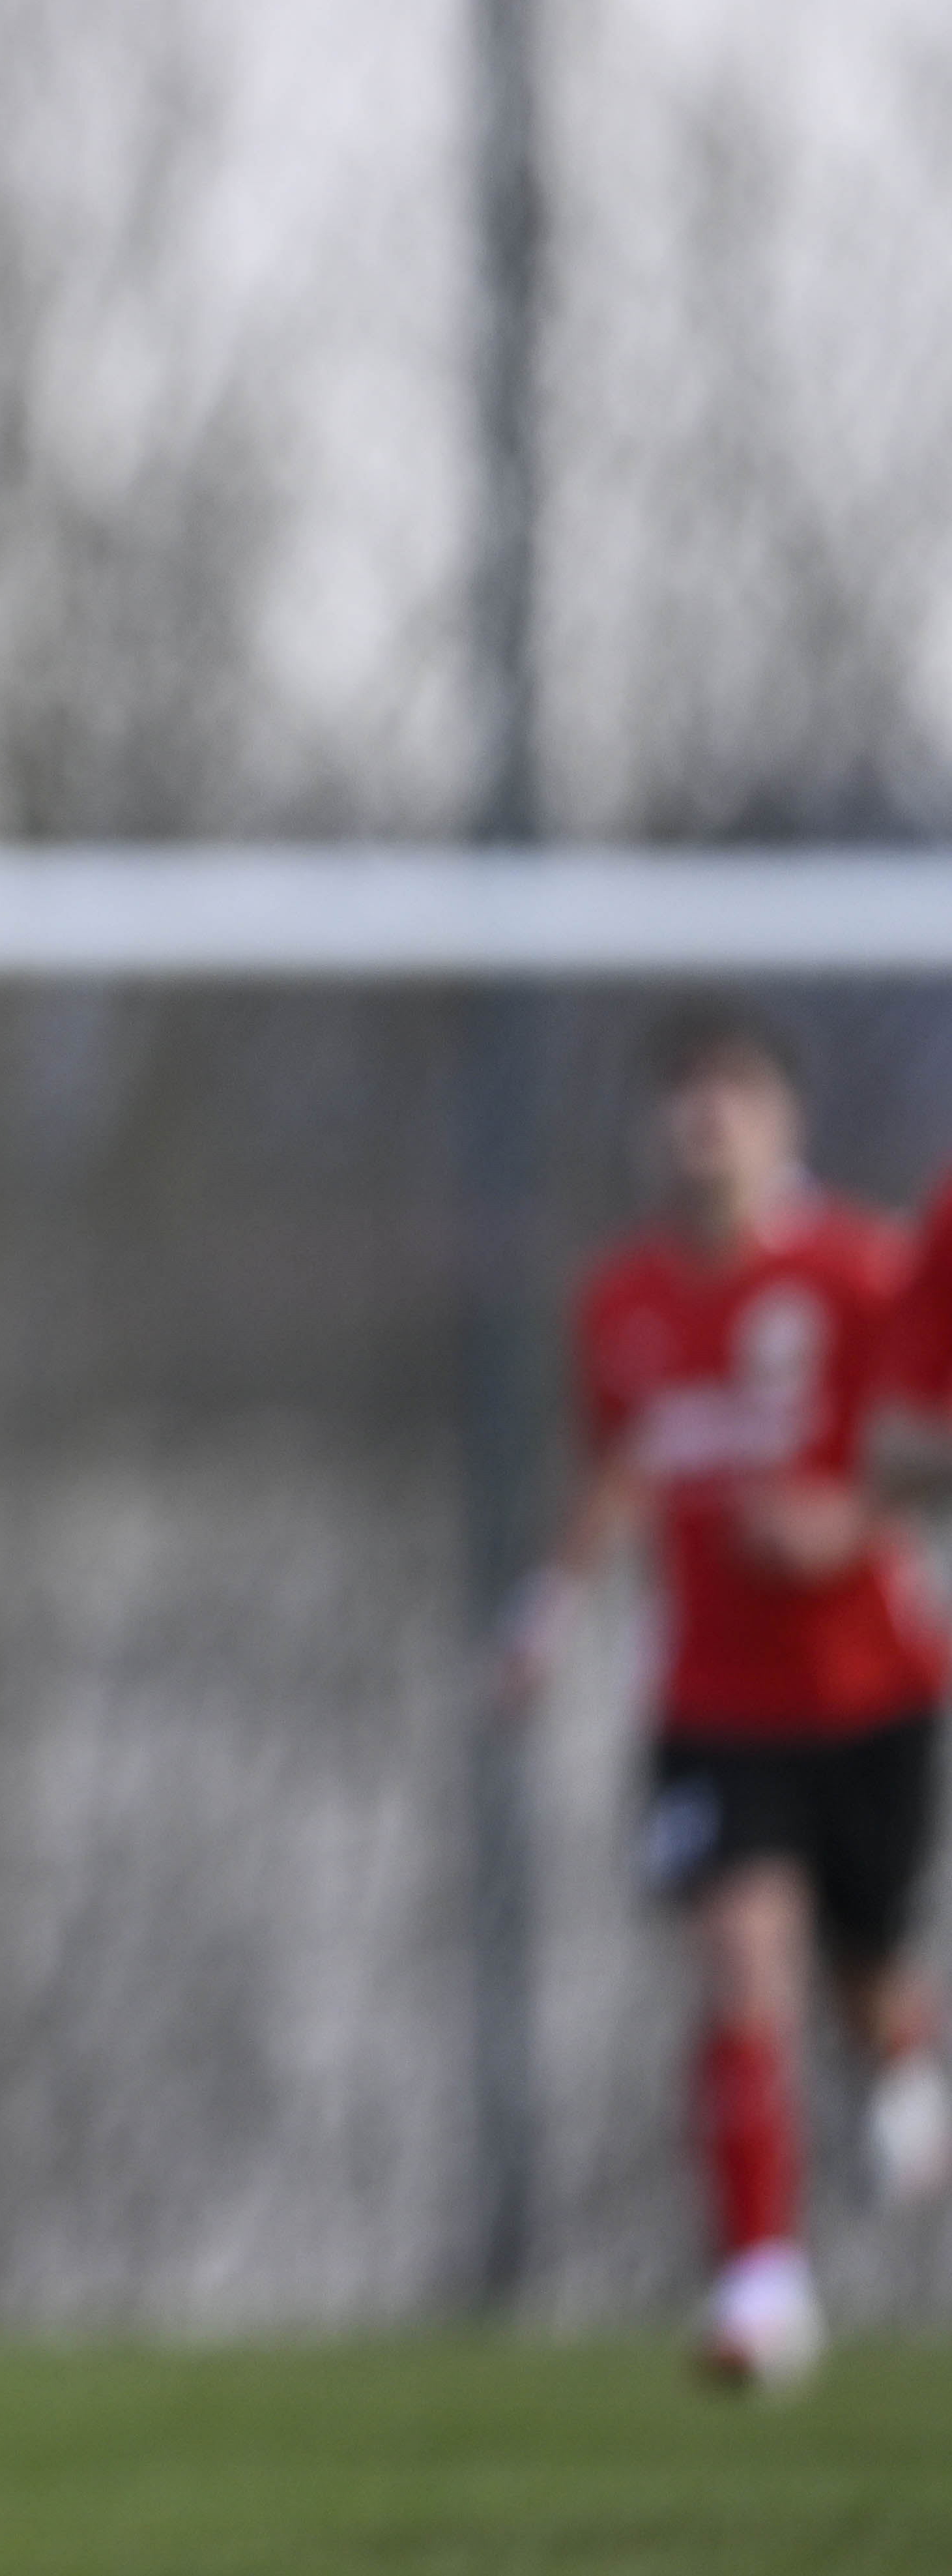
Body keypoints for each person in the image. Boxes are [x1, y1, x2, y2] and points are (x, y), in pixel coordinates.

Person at [504, 1002, 952, 2388]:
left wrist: (845, 1522)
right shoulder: (619, 1300)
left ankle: (902, 2057)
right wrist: (549, 1610)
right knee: (740, 1953)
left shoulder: (861, 1268)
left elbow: (926, 1440)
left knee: (861, 1971)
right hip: (710, 1698)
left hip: (869, 1686)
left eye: (734, 1093)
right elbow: (617, 1467)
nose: (705, 1120)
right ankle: (761, 2285)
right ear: (653, 1126)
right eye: (682, 1095)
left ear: (783, 1120)